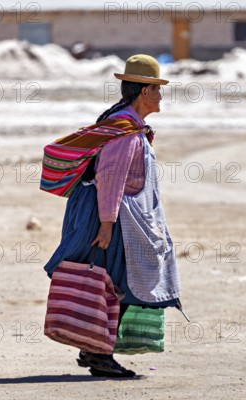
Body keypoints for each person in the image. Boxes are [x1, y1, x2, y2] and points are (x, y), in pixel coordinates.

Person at [43, 54, 181, 378]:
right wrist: (106, 226)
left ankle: (95, 349)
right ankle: (98, 353)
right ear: (144, 92)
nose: (161, 96)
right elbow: (110, 178)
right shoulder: (125, 132)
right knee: (117, 283)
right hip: (110, 219)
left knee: (113, 282)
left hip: (119, 218)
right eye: (157, 89)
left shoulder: (130, 126)